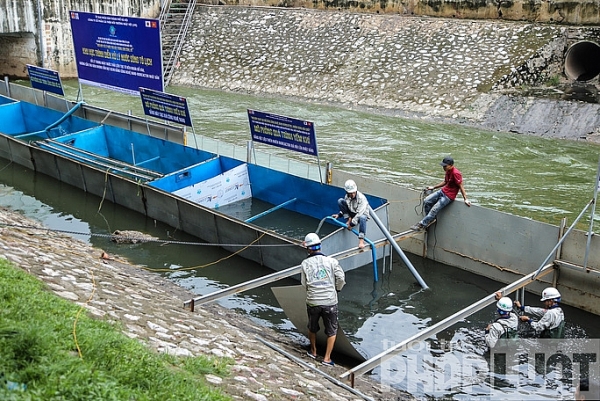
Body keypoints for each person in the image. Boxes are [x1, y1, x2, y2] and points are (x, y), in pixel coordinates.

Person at [300, 233, 346, 366]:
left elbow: (304, 283)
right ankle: (326, 358)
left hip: (313, 301)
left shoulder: (305, 264)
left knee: (312, 327)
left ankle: (313, 352)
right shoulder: (331, 261)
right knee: (332, 330)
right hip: (330, 301)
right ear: (320, 246)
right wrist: (337, 289)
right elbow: (341, 279)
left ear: (308, 248)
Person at [410, 156, 471, 231]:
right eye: (443, 166)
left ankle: (422, 224)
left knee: (434, 209)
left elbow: (461, 186)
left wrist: (466, 199)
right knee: (426, 201)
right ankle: (429, 219)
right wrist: (434, 187)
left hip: (449, 196)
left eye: (445, 166)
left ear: (451, 165)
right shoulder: (448, 171)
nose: (444, 168)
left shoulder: (456, 173)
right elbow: (445, 182)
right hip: (443, 191)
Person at [332, 179, 370, 248]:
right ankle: (348, 219)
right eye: (350, 193)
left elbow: (359, 214)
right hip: (353, 214)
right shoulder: (347, 197)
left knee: (362, 218)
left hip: (361, 214)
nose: (352, 194)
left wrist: (351, 224)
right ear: (346, 192)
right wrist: (339, 215)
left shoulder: (361, 198)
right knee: (340, 201)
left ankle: (361, 241)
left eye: (353, 192)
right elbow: (348, 207)